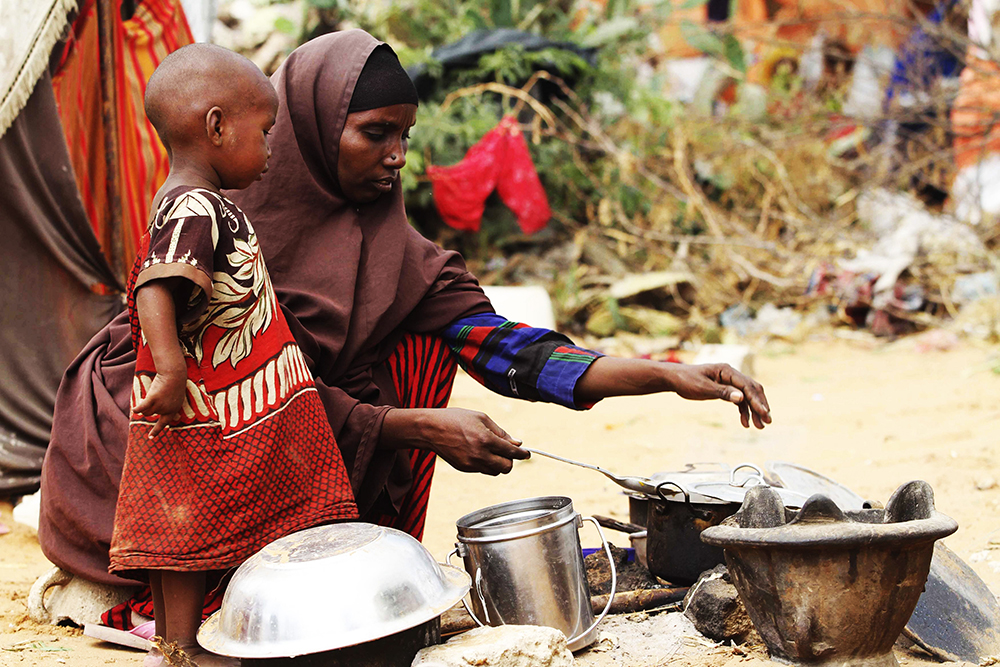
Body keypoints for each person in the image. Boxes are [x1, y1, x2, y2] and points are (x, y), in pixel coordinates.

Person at [39, 29, 770, 628]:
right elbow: (241, 385)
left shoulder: (396, 254)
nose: (398, 156)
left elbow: (515, 352)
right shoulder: (218, 218)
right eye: (375, 133)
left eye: (405, 135)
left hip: (281, 427)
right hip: (167, 428)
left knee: (422, 337)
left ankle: (320, 552)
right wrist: (415, 426)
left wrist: (668, 375)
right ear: (312, 130)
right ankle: (166, 590)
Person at [110, 44, 358, 665]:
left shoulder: (191, 201)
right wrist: (169, 369)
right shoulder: (198, 206)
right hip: (207, 404)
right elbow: (156, 287)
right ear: (217, 126)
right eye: (265, 131)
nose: (272, 149)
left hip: (190, 400)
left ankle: (175, 644)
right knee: (193, 524)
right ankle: (190, 644)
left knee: (178, 528)